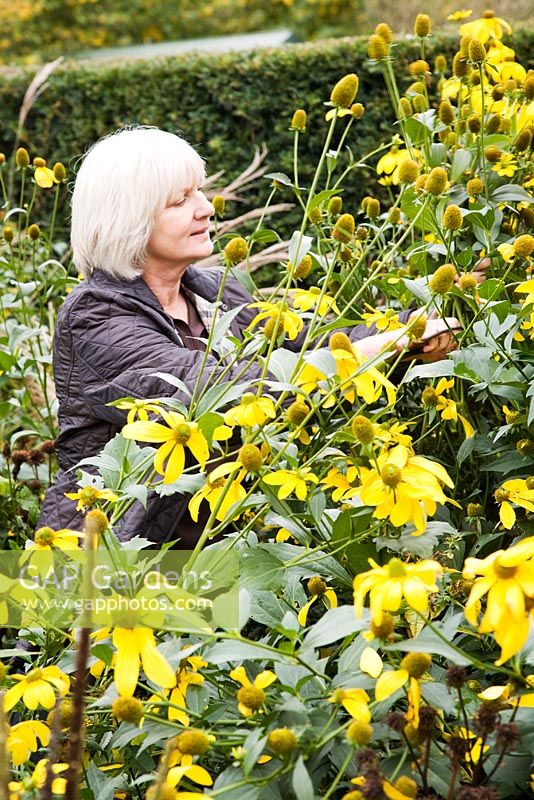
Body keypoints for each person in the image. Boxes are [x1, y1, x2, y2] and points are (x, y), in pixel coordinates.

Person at [37, 127, 458, 546]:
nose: (205, 208)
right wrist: (359, 356)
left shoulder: (213, 290)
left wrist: (416, 324)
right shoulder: (95, 317)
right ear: (129, 216)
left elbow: (303, 342)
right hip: (117, 555)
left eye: (199, 192)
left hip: (223, 547)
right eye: (181, 200)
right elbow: (219, 393)